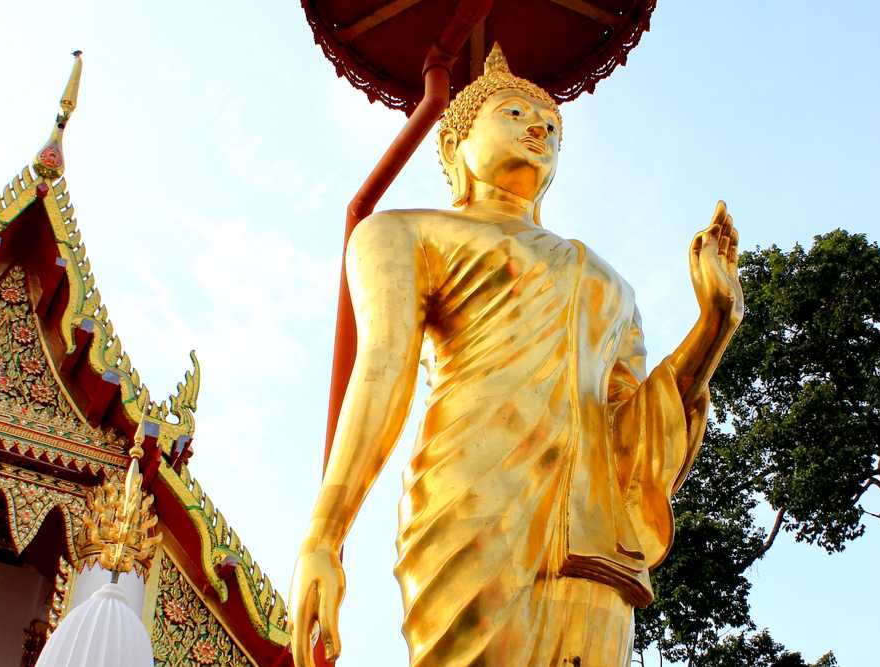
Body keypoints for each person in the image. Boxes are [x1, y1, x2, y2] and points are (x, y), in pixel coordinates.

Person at [289, 45, 743, 667]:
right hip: (472, 500)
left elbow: (634, 437)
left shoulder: (606, 285)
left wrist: (715, 323)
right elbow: (381, 372)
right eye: (514, 113)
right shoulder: (402, 233)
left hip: (590, 537)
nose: (540, 129)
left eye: (552, 126)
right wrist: (324, 535)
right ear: (454, 144)